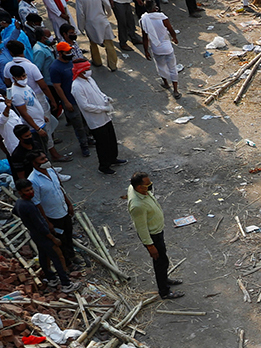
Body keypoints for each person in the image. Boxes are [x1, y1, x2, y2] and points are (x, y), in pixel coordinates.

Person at [127, 171, 184, 299]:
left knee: (162, 260)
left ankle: (165, 279)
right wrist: (150, 246)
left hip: (157, 231)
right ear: (138, 187)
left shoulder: (135, 188)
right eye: (147, 186)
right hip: (153, 236)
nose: (150, 187)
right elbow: (141, 228)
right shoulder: (137, 206)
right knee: (161, 262)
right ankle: (164, 291)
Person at [13, 177, 76, 291]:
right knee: (57, 258)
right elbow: (40, 226)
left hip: (35, 235)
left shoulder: (19, 203)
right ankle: (66, 284)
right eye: (27, 190)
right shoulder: (29, 206)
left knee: (43, 256)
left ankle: (51, 278)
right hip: (43, 236)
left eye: (31, 189)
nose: (31, 192)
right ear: (20, 192)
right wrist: (52, 238)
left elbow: (15, 212)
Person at [8, 64, 68, 161]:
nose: (23, 78)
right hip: (35, 126)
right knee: (41, 152)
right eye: (20, 77)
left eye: (24, 76)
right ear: (14, 78)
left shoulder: (25, 86)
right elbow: (24, 113)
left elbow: (34, 103)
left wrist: (42, 116)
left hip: (40, 121)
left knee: (45, 146)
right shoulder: (16, 93)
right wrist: (37, 129)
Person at [71, 62, 122, 173]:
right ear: (80, 71)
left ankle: (113, 158)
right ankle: (104, 166)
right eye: (87, 69)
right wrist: (102, 108)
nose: (90, 70)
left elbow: (98, 92)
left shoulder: (89, 79)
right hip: (95, 120)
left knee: (111, 139)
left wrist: (105, 98)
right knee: (102, 143)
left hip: (105, 116)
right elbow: (85, 106)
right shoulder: (76, 86)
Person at [29, 150, 74, 268]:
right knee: (61, 240)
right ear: (34, 163)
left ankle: (72, 255)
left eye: (45, 158)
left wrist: (69, 204)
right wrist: (47, 222)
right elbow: (37, 204)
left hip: (63, 209)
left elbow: (60, 188)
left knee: (69, 235)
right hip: (53, 215)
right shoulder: (33, 180)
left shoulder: (51, 171)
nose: (46, 161)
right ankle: (68, 263)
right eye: (42, 160)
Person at [47, 39, 92, 155]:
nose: (70, 54)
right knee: (78, 125)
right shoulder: (55, 67)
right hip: (70, 100)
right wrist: (66, 102)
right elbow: (57, 87)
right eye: (67, 52)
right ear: (60, 53)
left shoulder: (72, 62)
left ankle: (89, 139)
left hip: (81, 97)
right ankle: (84, 145)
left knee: (86, 120)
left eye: (70, 51)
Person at [139, 3, 178, 98]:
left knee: (161, 67)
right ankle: (176, 91)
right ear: (155, 7)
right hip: (167, 47)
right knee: (172, 68)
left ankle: (166, 84)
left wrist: (146, 51)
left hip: (156, 48)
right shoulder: (162, 17)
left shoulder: (144, 20)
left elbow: (145, 37)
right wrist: (174, 38)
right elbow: (171, 29)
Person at [75, 0, 117, 71]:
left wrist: (81, 27)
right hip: (102, 20)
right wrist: (108, 14)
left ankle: (97, 61)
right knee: (109, 43)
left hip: (90, 22)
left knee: (93, 43)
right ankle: (113, 65)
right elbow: (107, 4)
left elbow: (80, 14)